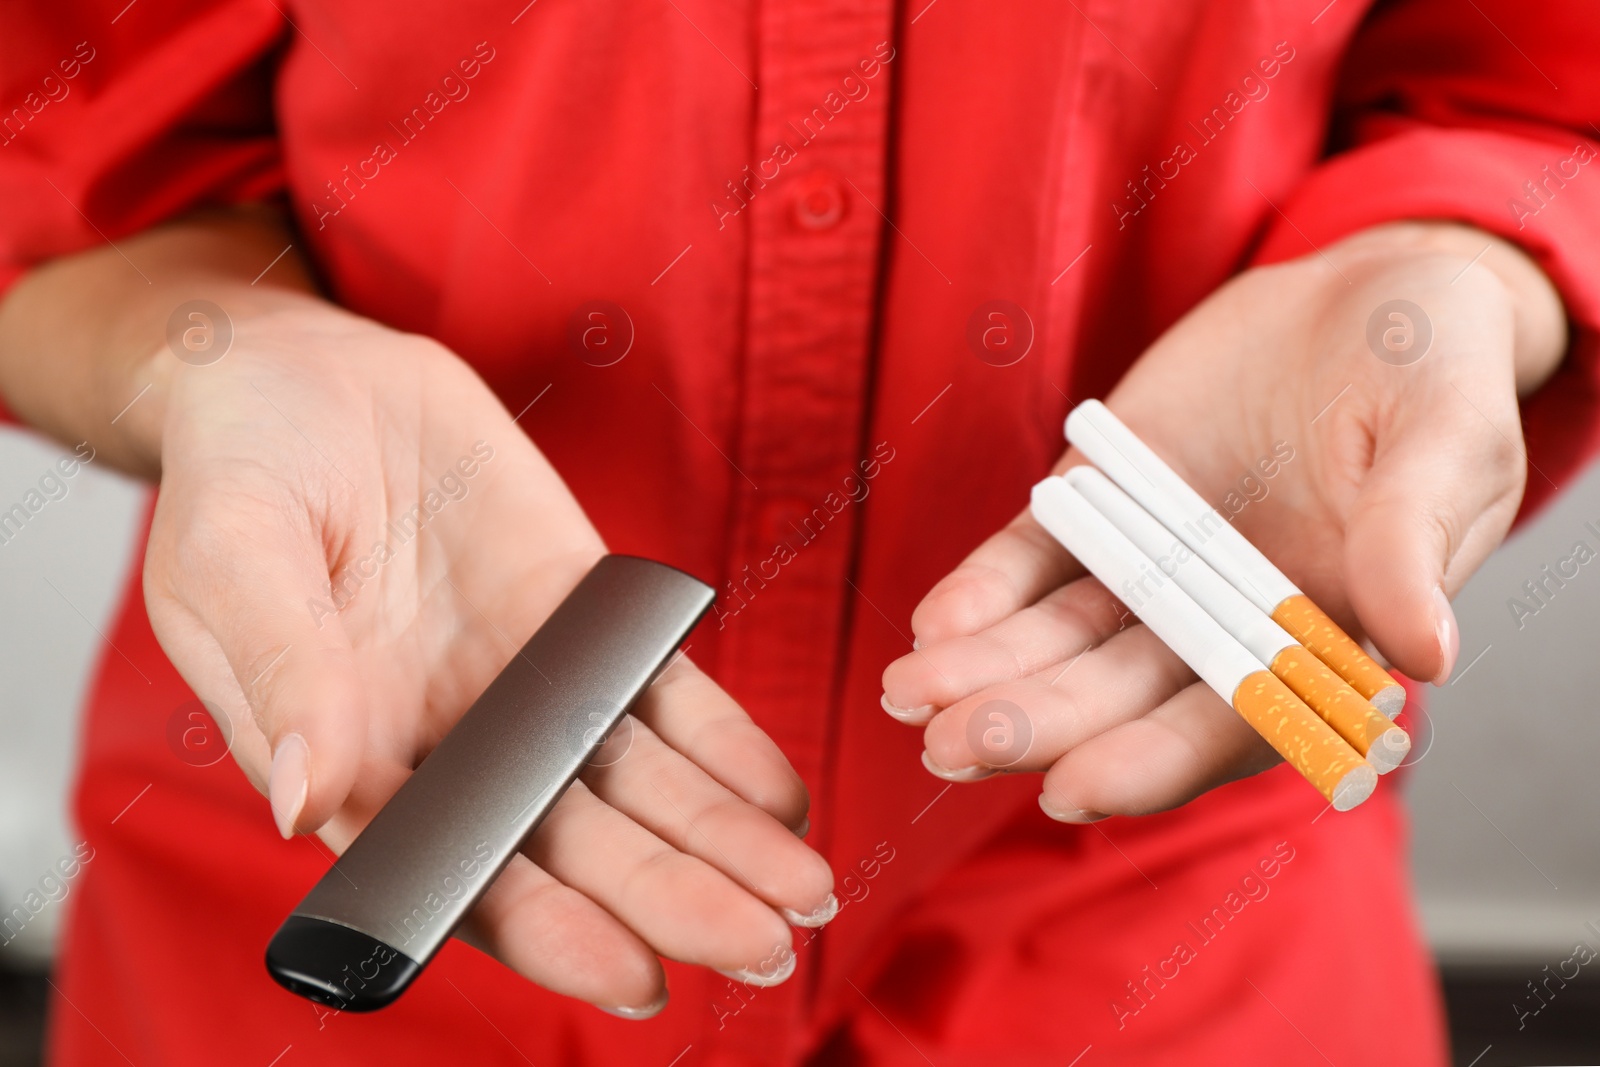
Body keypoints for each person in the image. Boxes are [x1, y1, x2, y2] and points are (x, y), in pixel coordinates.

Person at [0, 0, 1596, 1063]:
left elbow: (1536, 86)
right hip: (345, 758)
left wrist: (1454, 268)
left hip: (1159, 907)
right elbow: (50, 156)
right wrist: (227, 354)